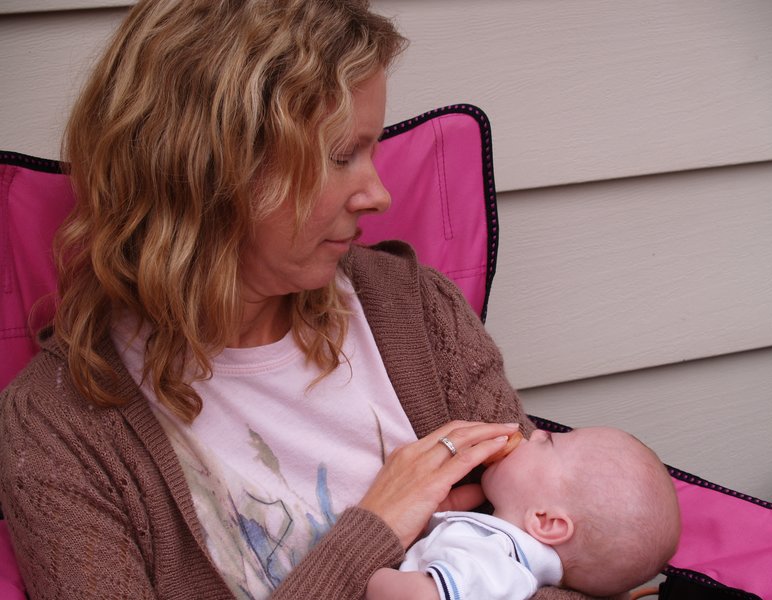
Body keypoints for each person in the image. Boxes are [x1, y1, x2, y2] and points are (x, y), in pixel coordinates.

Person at [0, 1, 596, 599]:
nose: (378, 194)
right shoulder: (58, 434)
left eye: (371, 150)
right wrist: (375, 529)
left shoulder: (415, 309)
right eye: (340, 156)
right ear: (207, 169)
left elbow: (568, 556)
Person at [367, 426, 681, 600]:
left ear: (546, 521)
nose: (538, 431)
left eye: (549, 443)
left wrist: (373, 571)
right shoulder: (503, 557)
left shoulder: (492, 558)